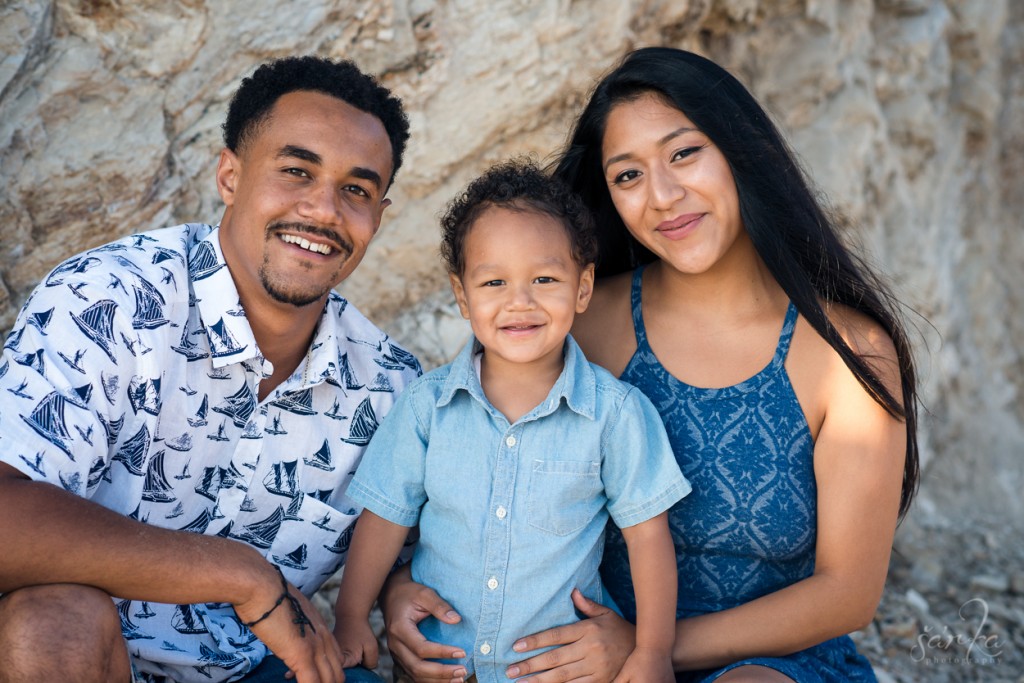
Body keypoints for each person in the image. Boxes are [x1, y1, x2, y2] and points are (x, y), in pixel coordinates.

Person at [380, 47, 921, 683]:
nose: (662, 196)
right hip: (567, 659)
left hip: (769, 663)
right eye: (628, 175)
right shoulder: (577, 322)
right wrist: (397, 593)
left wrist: (646, 649)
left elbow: (847, 593)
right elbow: (454, 466)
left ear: (741, 152)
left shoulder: (848, 352)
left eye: (685, 153)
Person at [0, 56, 422, 683]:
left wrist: (399, 596)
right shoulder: (110, 301)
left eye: (356, 190)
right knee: (51, 619)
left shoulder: (390, 388)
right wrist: (244, 577)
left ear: (378, 216)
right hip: (85, 657)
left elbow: (410, 547)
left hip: (261, 671)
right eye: (296, 171)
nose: (325, 210)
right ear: (230, 175)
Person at [332, 159, 691, 683]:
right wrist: (349, 617)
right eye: (494, 281)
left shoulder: (615, 414)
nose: (519, 302)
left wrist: (652, 651)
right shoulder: (425, 408)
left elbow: (648, 537)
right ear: (462, 295)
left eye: (545, 278)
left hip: (559, 673)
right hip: (442, 670)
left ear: (583, 287)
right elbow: (384, 520)